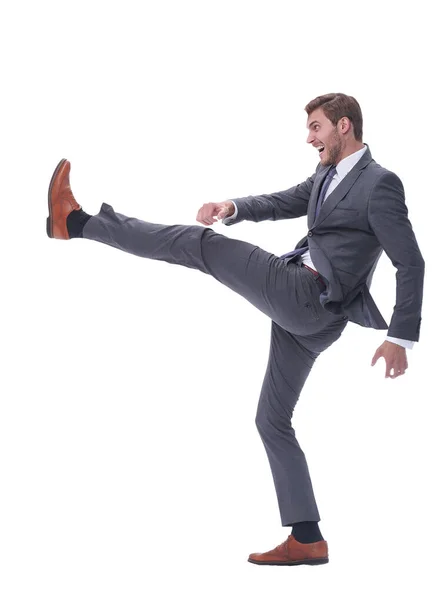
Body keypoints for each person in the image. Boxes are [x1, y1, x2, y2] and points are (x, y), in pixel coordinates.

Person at [46, 93, 424, 567]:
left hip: (304, 293)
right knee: (272, 420)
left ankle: (75, 223)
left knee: (196, 244)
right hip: (313, 319)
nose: (309, 137)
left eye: (316, 127)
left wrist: (400, 337)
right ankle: (307, 537)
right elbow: (286, 200)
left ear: (343, 126)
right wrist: (233, 207)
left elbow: (410, 261)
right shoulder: (329, 175)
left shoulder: (380, 184)